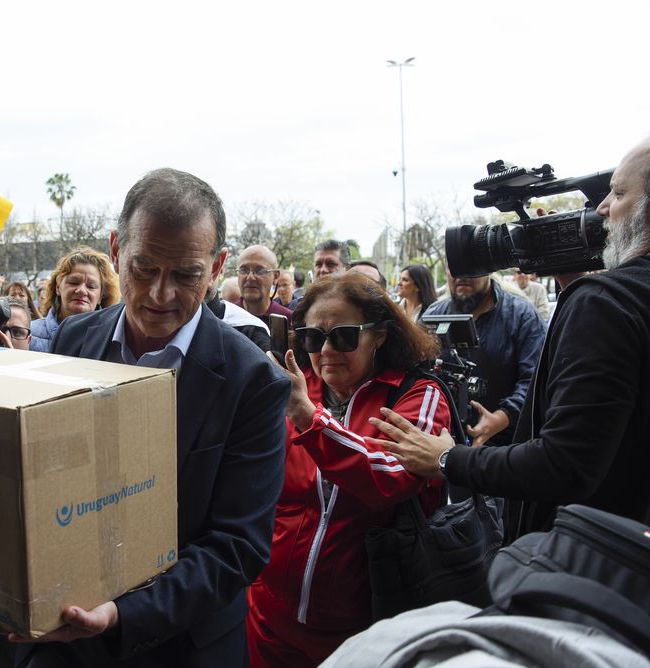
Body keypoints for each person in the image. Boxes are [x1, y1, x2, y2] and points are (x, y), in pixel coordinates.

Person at [0, 168, 291, 667]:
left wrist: (123, 613)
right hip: (63, 642)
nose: (159, 295)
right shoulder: (73, 342)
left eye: (186, 275)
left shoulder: (253, 381)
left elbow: (237, 546)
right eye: (144, 268)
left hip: (182, 646)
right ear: (115, 250)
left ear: (217, 267)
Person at [371, 137, 650, 537]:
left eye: (618, 192)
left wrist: (450, 459)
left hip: (584, 556)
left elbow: (565, 465)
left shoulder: (602, 304)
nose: (602, 208)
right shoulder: (612, 301)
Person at [246, 273, 449, 666]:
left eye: (344, 336)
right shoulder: (296, 386)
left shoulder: (417, 393)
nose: (325, 351)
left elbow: (392, 475)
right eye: (312, 337)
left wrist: (309, 418)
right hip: (270, 613)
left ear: (380, 336)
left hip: (365, 624)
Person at [421, 267, 544, 446]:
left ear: (489, 268)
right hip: (442, 443)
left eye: (469, 263)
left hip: (505, 448)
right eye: (453, 265)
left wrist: (501, 418)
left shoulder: (522, 315)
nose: (461, 273)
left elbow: (534, 380)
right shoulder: (433, 315)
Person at [30, 247, 120, 352]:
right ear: (58, 287)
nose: (81, 290)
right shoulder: (28, 333)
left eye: (91, 286)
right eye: (73, 282)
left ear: (101, 296)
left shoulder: (114, 340)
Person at [236, 245, 293, 321]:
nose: (250, 277)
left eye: (259, 271)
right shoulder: (225, 318)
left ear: (275, 276)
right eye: (243, 270)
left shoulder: (288, 320)